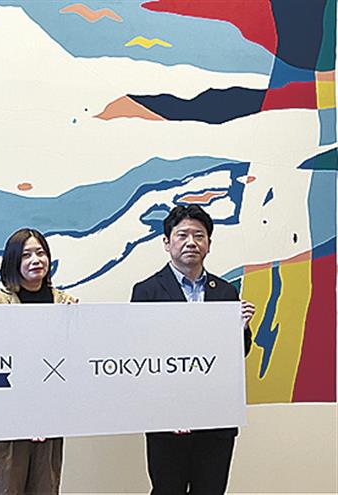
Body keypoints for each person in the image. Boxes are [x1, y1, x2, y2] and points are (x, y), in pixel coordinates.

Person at [131, 204, 255, 495]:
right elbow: (140, 357)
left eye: (199, 235)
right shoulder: (146, 291)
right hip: (166, 421)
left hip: (216, 419)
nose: (191, 242)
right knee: (167, 490)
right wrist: (170, 411)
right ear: (167, 242)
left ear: (209, 244)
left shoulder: (225, 291)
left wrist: (241, 329)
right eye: (182, 234)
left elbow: (238, 355)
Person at [0, 228, 77, 495]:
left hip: (50, 414)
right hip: (6, 419)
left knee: (46, 485)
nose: (36, 260)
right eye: (26, 255)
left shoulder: (65, 303)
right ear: (13, 261)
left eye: (41, 253)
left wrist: (77, 322)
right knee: (5, 486)